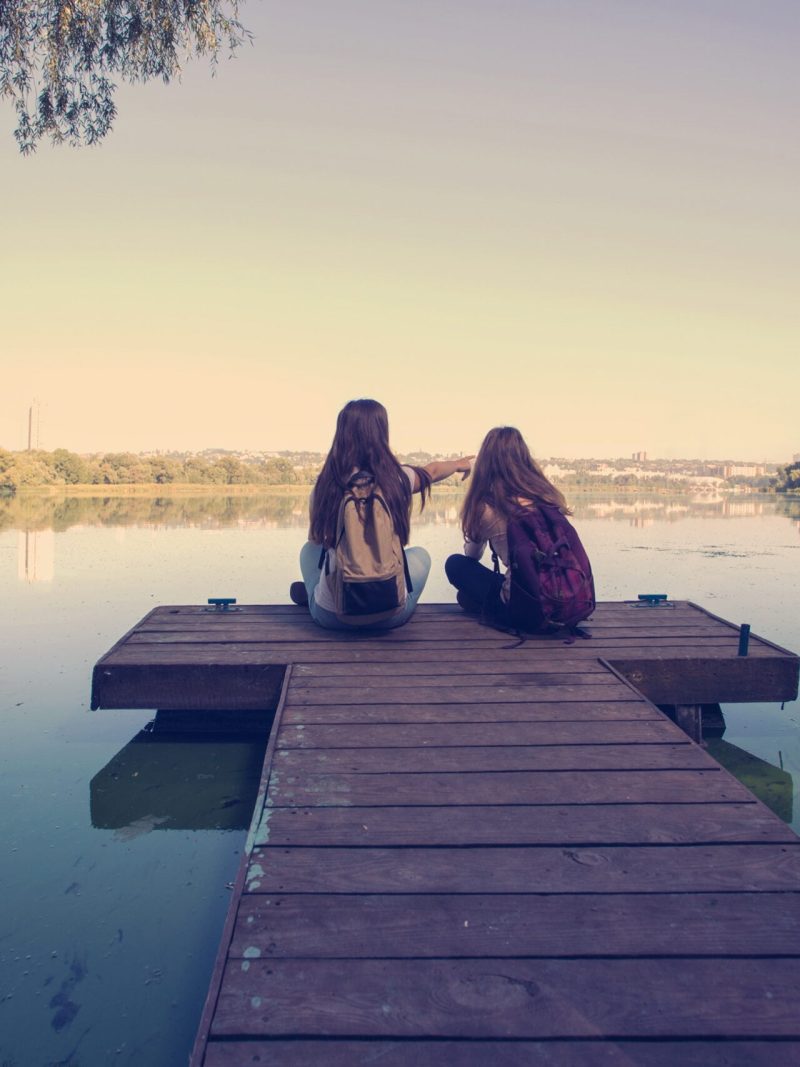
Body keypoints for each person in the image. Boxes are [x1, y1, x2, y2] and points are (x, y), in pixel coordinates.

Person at [291, 398, 473, 630]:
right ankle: (390, 599)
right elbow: (432, 471)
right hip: (390, 615)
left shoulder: (325, 487)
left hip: (333, 617)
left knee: (309, 550)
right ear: (381, 432)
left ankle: (313, 594)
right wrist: (459, 464)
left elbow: (317, 541)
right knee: (421, 556)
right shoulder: (396, 480)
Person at [445, 425, 572, 626]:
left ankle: (492, 607)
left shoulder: (486, 506)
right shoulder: (547, 496)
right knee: (469, 596)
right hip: (565, 597)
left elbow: (472, 555)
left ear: (485, 462)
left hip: (523, 606)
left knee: (455, 564)